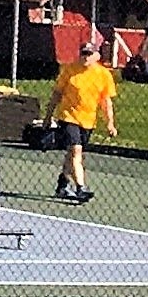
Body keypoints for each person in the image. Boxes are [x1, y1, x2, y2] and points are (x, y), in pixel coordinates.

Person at [47, 39, 117, 205]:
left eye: (89, 54)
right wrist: (48, 116)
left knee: (72, 154)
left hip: (88, 120)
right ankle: (81, 187)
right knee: (75, 150)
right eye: (83, 53)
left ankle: (62, 185)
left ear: (96, 55)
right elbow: (57, 94)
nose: (86, 57)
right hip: (68, 117)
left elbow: (106, 101)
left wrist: (110, 123)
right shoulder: (70, 70)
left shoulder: (103, 74)